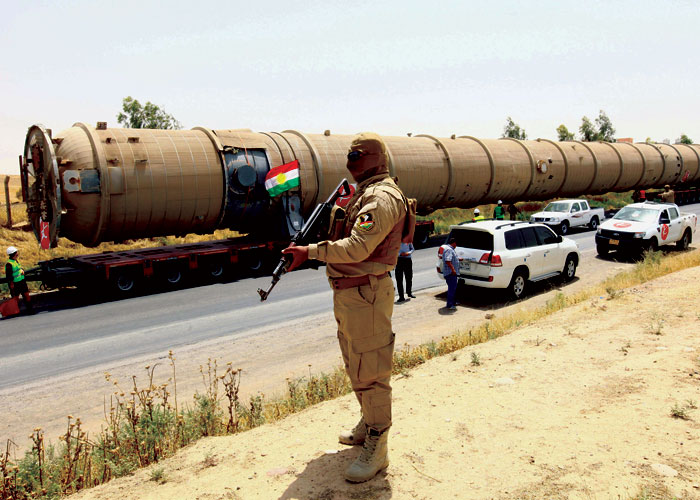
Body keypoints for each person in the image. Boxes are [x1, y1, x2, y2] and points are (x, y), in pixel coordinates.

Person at [282, 132, 407, 483]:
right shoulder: (366, 193)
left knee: (372, 370)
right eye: (349, 155)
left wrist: (311, 252)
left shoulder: (381, 197)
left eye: (356, 155)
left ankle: (379, 443)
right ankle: (369, 423)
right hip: (352, 295)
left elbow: (356, 248)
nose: (350, 161)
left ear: (375, 159)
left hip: (366, 295)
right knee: (356, 364)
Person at [5, 246, 33, 314]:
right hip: (15, 283)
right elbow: (9, 276)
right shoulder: (9, 264)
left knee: (26, 295)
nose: (17, 253)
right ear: (14, 254)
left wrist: (22, 270)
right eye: (16, 252)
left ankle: (30, 310)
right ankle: (14, 311)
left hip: (22, 281)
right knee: (16, 298)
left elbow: (18, 269)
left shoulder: (15, 261)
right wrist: (11, 285)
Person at [442, 238, 459, 311]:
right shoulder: (449, 250)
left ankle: (453, 302)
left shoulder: (450, 249)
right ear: (454, 243)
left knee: (453, 288)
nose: (456, 246)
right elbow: (448, 261)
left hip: (451, 273)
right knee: (451, 289)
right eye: (456, 244)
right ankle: (449, 304)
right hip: (450, 273)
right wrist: (453, 269)